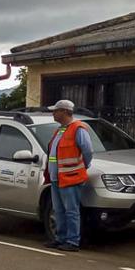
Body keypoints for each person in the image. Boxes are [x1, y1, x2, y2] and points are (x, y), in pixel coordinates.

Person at [43, 100, 94, 252]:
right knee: (58, 210)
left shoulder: (78, 129)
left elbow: (88, 151)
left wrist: (82, 166)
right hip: (56, 177)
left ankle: (72, 241)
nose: (53, 113)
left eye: (55, 111)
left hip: (70, 177)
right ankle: (60, 238)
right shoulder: (60, 130)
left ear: (64, 112)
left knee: (71, 211)